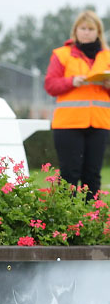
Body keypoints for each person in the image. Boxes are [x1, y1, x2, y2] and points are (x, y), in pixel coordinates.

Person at [44, 10, 110, 200]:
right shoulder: (62, 54)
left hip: (99, 124)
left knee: (93, 176)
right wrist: (71, 82)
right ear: (75, 31)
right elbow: (50, 85)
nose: (87, 32)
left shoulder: (107, 57)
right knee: (69, 176)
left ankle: (92, 220)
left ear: (98, 31)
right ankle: (67, 221)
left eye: (91, 28)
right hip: (68, 125)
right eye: (83, 28)